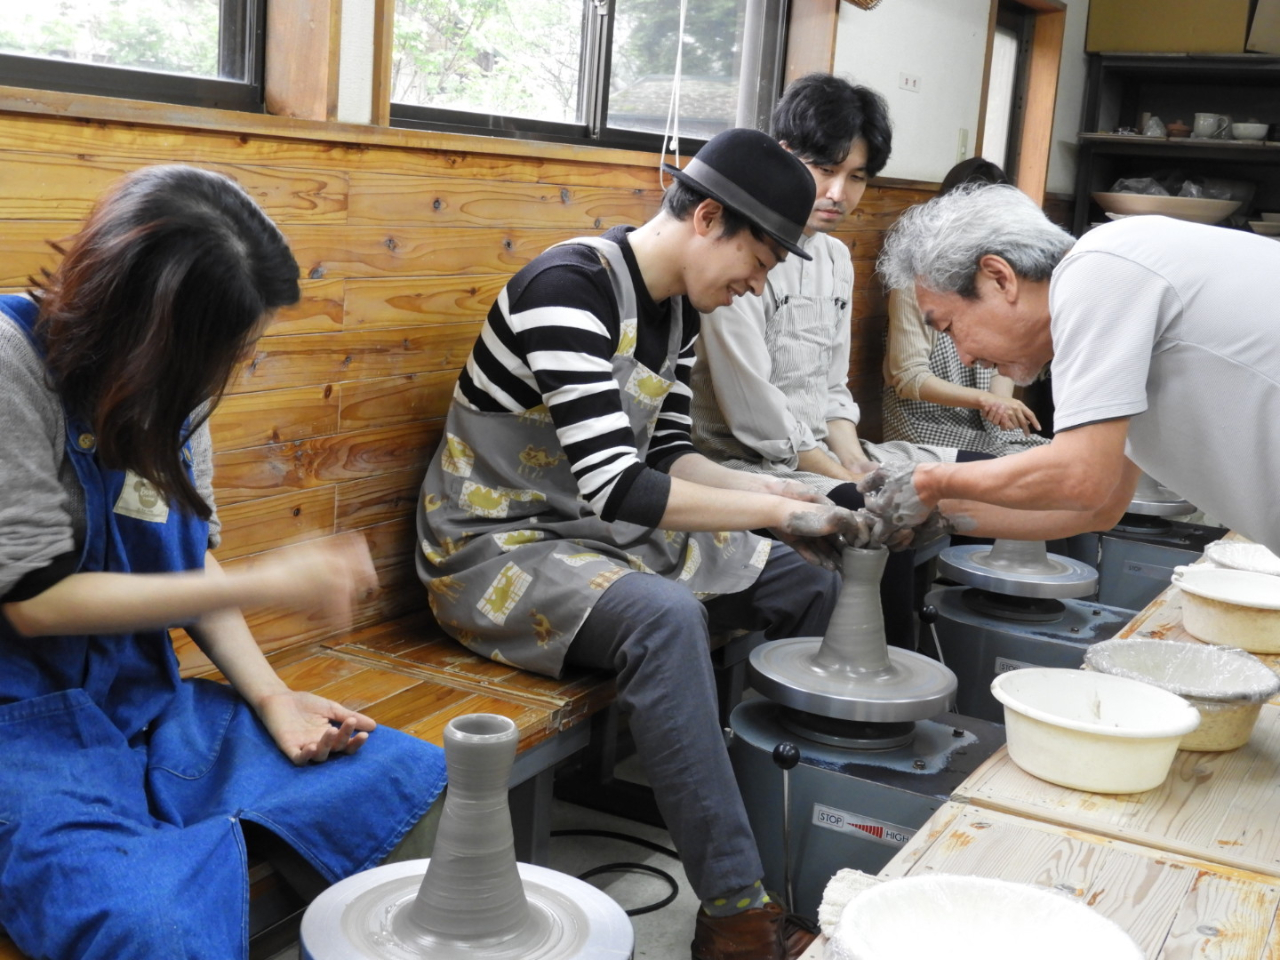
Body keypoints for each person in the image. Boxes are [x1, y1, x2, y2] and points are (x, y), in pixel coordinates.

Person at [417, 127, 876, 960]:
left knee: (803, 582)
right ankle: (736, 907)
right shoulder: (569, 286)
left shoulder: (676, 311)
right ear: (707, 218)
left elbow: (668, 459)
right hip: (496, 550)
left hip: (599, 538)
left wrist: (788, 495)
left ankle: (800, 841)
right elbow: (618, 484)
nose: (755, 286)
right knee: (666, 618)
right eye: (762, 261)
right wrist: (770, 513)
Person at [0, 166, 446, 960]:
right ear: (145, 329)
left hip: (144, 704)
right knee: (156, 930)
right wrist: (273, 580)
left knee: (409, 785)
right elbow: (35, 601)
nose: (225, 375)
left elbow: (191, 568)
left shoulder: (177, 385)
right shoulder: (10, 366)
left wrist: (275, 697)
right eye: (219, 352)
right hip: (21, 730)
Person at [689, 74, 994, 644]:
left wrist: (854, 463)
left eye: (856, 177)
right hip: (745, 459)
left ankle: (962, 647)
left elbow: (833, 389)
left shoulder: (834, 257)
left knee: (976, 472)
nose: (838, 193)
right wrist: (848, 480)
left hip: (823, 450)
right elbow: (754, 412)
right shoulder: (733, 254)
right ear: (782, 157)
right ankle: (883, 677)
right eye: (825, 170)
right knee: (880, 514)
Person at [866, 182, 1280, 554]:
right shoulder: (1111, 294)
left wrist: (931, 481)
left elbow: (1079, 477)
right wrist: (936, 515)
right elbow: (1096, 508)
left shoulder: (1100, 269)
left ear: (999, 278)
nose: (963, 357)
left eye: (950, 327)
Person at [882, 157, 1048, 454]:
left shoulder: (999, 274)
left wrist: (1000, 403)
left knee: (1048, 459)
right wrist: (984, 400)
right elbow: (908, 377)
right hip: (925, 427)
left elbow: (1006, 357)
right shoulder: (916, 280)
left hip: (985, 427)